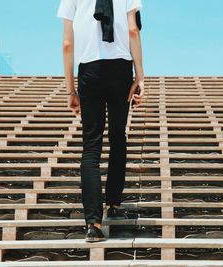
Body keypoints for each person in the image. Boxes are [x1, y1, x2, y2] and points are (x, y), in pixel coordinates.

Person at [57, 0, 144, 242]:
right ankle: (114, 206)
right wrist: (140, 75)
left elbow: (67, 43)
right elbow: (133, 30)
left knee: (91, 146)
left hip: (90, 71)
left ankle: (93, 224)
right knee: (118, 137)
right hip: (120, 69)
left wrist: (70, 91)